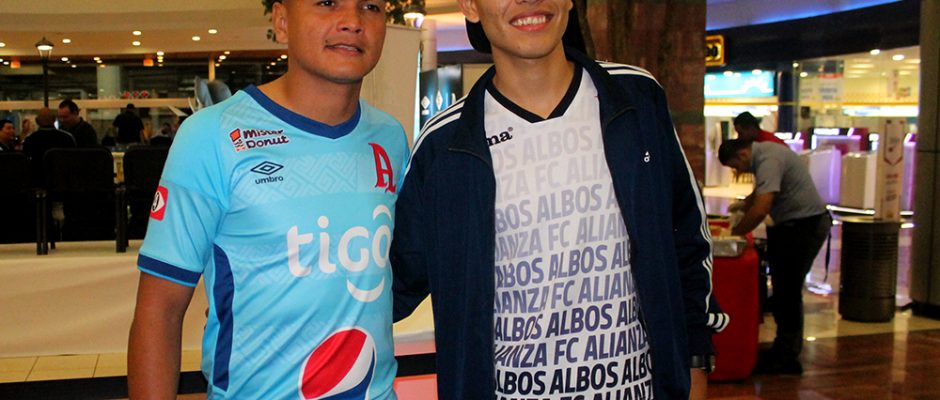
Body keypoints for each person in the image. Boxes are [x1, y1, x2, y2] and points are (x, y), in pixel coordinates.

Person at [391, 1, 727, 398]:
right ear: (470, 5)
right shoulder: (444, 145)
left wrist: (695, 360)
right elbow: (393, 283)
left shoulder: (635, 98)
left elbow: (686, 235)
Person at [127, 0, 407, 398]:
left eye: (370, 6)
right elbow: (160, 311)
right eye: (327, 3)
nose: (352, 22)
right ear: (282, 21)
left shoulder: (390, 138)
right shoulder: (211, 137)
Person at [718, 139, 831, 374]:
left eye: (735, 166)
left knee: (788, 290)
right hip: (792, 225)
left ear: (743, 154)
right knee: (783, 288)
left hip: (804, 226)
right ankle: (783, 348)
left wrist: (734, 234)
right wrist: (741, 207)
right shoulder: (764, 155)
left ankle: (787, 356)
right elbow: (758, 195)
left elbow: (762, 207)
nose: (737, 172)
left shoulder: (768, 160)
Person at [22, 108, 76, 185]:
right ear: (54, 119)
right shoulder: (67, 138)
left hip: (38, 181)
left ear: (37, 121)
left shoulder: (30, 140)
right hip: (62, 181)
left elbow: (25, 164)